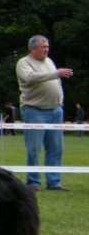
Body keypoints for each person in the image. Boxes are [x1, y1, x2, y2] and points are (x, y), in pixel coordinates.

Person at [16, 34, 73, 191]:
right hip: (34, 110)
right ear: (33, 48)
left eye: (47, 47)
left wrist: (60, 100)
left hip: (55, 111)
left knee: (56, 148)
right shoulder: (24, 62)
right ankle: (33, 182)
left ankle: (54, 182)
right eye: (43, 47)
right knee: (34, 148)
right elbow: (30, 78)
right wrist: (56, 73)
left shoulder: (49, 62)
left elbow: (56, 82)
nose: (46, 50)